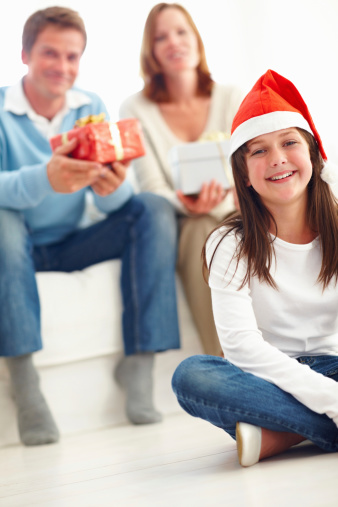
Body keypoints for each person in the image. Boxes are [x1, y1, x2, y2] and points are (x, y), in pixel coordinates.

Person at [0, 6, 180, 446]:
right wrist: (47, 177)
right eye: (50, 54)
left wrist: (110, 187)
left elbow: (119, 198)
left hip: (74, 241)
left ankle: (138, 362)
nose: (63, 67)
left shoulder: (91, 106)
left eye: (72, 56)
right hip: (15, 243)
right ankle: (24, 383)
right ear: (24, 54)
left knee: (152, 207)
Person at [171, 69, 338, 467]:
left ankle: (281, 433)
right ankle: (305, 425)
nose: (277, 158)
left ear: (313, 155)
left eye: (289, 142)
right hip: (267, 376)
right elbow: (242, 349)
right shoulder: (228, 244)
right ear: (244, 173)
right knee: (193, 376)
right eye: (258, 150)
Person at [120, 3, 243, 356]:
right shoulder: (135, 109)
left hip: (241, 210)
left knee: (226, 225)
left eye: (181, 32)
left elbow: (252, 166)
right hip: (187, 219)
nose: (173, 42)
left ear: (197, 40)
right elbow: (152, 189)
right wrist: (189, 203)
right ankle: (226, 368)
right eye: (161, 37)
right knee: (202, 229)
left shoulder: (231, 96)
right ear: (151, 51)